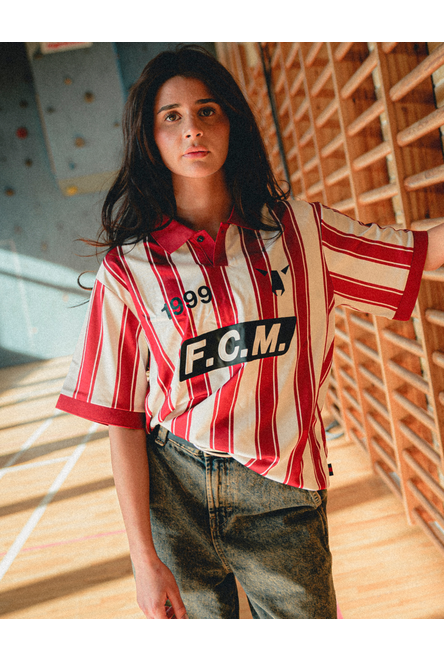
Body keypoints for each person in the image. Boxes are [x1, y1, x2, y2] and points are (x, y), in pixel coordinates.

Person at [56, 44, 444, 619]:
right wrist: (143, 559)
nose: (192, 129)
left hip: (282, 489)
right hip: (176, 491)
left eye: (207, 111)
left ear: (232, 122)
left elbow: (421, 252)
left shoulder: (302, 233)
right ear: (149, 138)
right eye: (171, 116)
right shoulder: (128, 270)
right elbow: (122, 418)